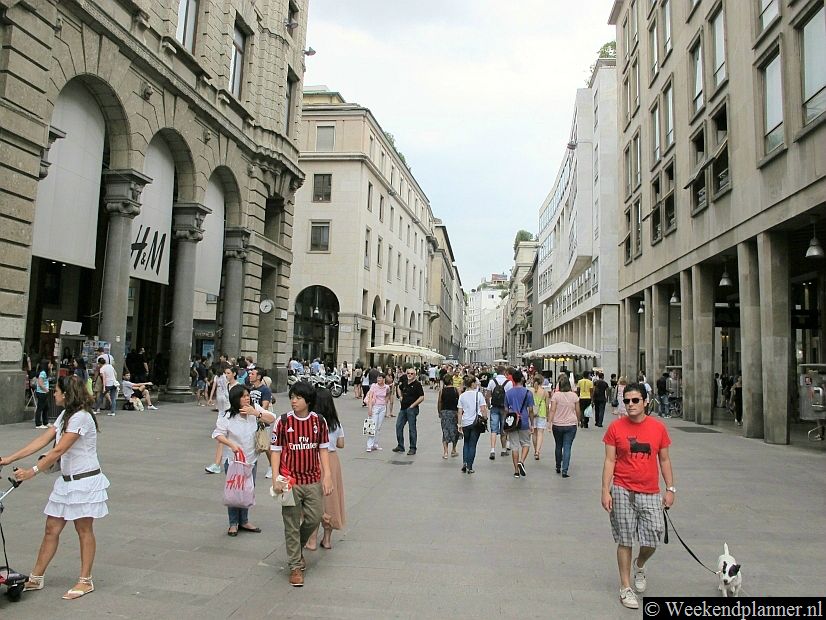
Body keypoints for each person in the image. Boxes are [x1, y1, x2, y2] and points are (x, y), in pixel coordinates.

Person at [0, 375, 109, 600]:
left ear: (67, 394)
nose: (54, 394)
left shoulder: (81, 417)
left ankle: (85, 580)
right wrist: (8, 458)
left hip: (85, 481)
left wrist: (32, 472)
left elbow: (58, 450)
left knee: (83, 529)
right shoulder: (65, 415)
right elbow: (42, 440)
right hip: (67, 482)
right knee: (51, 528)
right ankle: (36, 577)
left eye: (57, 391)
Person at [601, 382, 675, 610]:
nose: (630, 405)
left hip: (650, 491)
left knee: (653, 536)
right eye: (626, 401)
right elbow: (610, 460)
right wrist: (605, 490)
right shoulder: (615, 428)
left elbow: (664, 459)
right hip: (623, 489)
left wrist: (670, 489)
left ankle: (640, 563)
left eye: (635, 400)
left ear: (645, 402)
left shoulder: (658, 428)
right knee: (625, 539)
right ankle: (625, 587)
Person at [270, 382, 333, 587]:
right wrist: (275, 478)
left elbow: (323, 450)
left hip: (312, 479)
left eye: (298, 397)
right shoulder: (283, 421)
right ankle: (295, 566)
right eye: (292, 397)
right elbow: (276, 451)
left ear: (308, 400)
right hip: (290, 481)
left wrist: (327, 475)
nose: (293, 401)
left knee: (315, 517)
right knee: (290, 524)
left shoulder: (318, 422)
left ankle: (297, 547)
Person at [213, 384, 275, 536]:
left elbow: (272, 418)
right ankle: (233, 523)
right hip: (233, 460)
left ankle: (245, 520)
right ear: (236, 399)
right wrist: (231, 444)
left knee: (248, 489)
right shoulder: (227, 416)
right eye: (243, 396)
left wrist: (256, 413)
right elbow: (218, 434)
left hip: (251, 458)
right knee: (234, 490)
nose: (247, 398)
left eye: (248, 395)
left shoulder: (254, 410)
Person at [305, 389, 345, 551]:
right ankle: (327, 539)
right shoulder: (335, 423)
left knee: (313, 499)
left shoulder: (311, 422)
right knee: (331, 500)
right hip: (332, 460)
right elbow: (341, 444)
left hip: (314, 459)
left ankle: (312, 539)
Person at [206, 365, 239, 474]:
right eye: (225, 373)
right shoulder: (226, 385)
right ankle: (217, 464)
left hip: (234, 415)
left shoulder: (238, 387)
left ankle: (224, 462)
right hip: (224, 413)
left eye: (228, 373)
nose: (226, 375)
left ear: (234, 374)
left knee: (231, 439)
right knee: (221, 438)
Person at [504, 369, 534, 478]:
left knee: (514, 446)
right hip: (524, 420)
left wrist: (506, 422)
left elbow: (506, 409)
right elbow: (530, 409)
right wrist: (532, 423)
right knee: (526, 443)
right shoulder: (528, 393)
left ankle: (516, 471)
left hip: (512, 421)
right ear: (522, 379)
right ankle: (522, 461)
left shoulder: (508, 393)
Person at [548, 374, 581, 477]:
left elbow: (552, 410)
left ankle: (558, 465)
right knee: (567, 447)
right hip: (571, 424)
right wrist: (578, 420)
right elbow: (578, 410)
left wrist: (550, 422)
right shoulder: (574, 396)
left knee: (558, 445)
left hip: (557, 424)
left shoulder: (556, 396)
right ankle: (565, 470)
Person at [457, 375, 487, 474]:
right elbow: (483, 409)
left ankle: (465, 462)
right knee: (472, 445)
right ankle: (470, 467)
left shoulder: (462, 396)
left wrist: (459, 424)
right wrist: (485, 418)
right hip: (475, 422)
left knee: (466, 443)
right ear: (473, 384)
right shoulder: (479, 395)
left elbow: (460, 411)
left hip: (465, 422)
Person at [393, 365, 425, 455]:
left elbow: (422, 397)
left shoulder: (417, 384)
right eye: (408, 373)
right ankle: (400, 446)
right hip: (403, 408)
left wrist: (413, 405)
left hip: (412, 409)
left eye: (412, 373)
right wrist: (400, 396)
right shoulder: (405, 382)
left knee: (412, 428)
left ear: (415, 375)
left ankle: (413, 447)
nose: (409, 375)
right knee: (398, 426)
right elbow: (399, 388)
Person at [486, 365, 512, 460]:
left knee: (494, 429)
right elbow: (510, 396)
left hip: (494, 407)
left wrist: (489, 405)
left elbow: (487, 395)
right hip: (504, 408)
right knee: (504, 429)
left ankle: (492, 450)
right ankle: (503, 449)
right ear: (504, 372)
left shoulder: (492, 381)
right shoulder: (508, 383)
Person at [437, 374, 460, 459]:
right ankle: (453, 449)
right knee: (455, 431)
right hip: (454, 412)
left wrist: (439, 411)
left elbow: (439, 402)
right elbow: (460, 401)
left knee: (445, 431)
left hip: (445, 412)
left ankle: (445, 452)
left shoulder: (442, 391)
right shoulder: (456, 390)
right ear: (451, 381)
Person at [365, 373, 390, 452]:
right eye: (378, 378)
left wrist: (385, 402)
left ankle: (375, 444)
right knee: (372, 426)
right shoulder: (374, 386)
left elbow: (388, 394)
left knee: (378, 427)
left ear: (383, 379)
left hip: (382, 407)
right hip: (375, 407)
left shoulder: (386, 387)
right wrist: (369, 408)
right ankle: (369, 445)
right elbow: (370, 397)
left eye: (380, 378)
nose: (378, 380)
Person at [530, 375, 548, 460]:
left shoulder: (530, 391)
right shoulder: (545, 392)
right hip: (542, 412)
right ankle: (537, 451)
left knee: (534, 433)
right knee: (540, 433)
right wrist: (548, 416)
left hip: (532, 413)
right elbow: (547, 405)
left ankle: (535, 450)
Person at [34, 358, 51, 429]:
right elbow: (40, 383)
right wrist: (46, 389)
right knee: (40, 408)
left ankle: (45, 422)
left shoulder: (45, 372)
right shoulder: (43, 373)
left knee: (46, 407)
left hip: (43, 392)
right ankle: (38, 423)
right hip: (41, 392)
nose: (50, 365)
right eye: (49, 364)